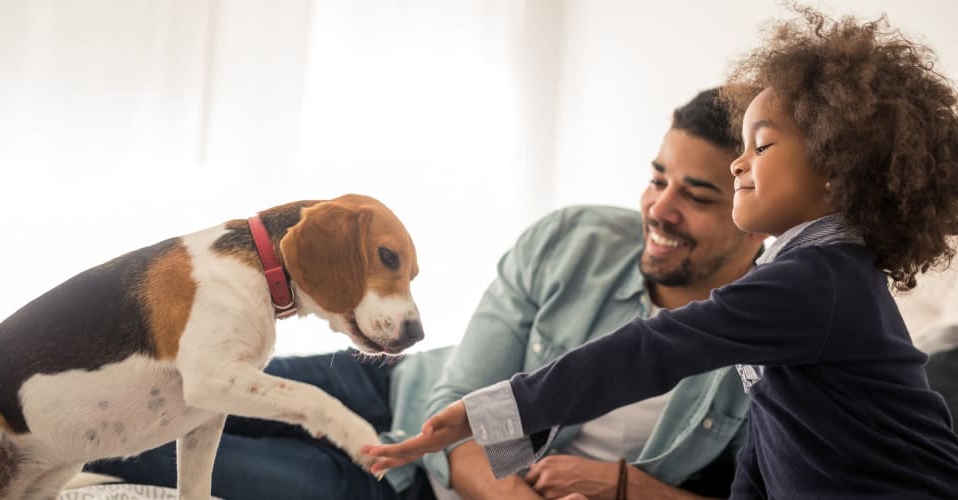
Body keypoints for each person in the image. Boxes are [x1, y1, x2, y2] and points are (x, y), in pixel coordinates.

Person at [366, 8, 958, 499]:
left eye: (763, 146)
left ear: (836, 170)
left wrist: (492, 413)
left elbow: (653, 350)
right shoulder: (804, 280)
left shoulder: (818, 282)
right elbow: (772, 443)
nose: (738, 162)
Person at [84, 87, 764, 500]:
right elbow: (456, 404)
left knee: (118, 443)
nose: (659, 208)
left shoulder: (776, 340)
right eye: (656, 178)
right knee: (144, 388)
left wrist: (631, 489)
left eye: (697, 195)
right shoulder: (572, 241)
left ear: (753, 208)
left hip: (397, 485)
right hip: (389, 386)